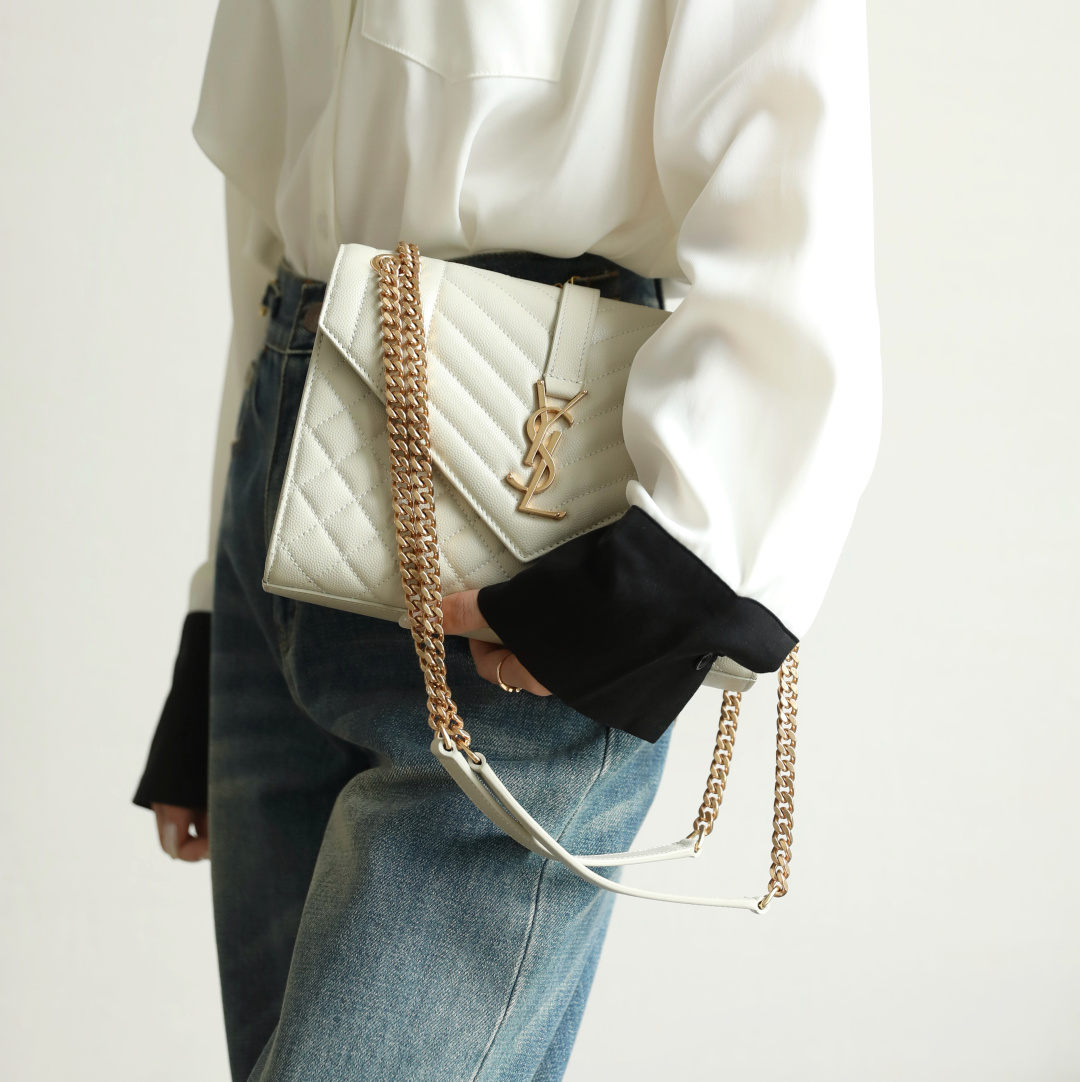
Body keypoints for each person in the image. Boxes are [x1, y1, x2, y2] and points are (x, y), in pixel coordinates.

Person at [133, 2, 880, 1079]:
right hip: (287, 469)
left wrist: (661, 584)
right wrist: (216, 615)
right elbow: (265, 203)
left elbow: (791, 182)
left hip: (532, 491)